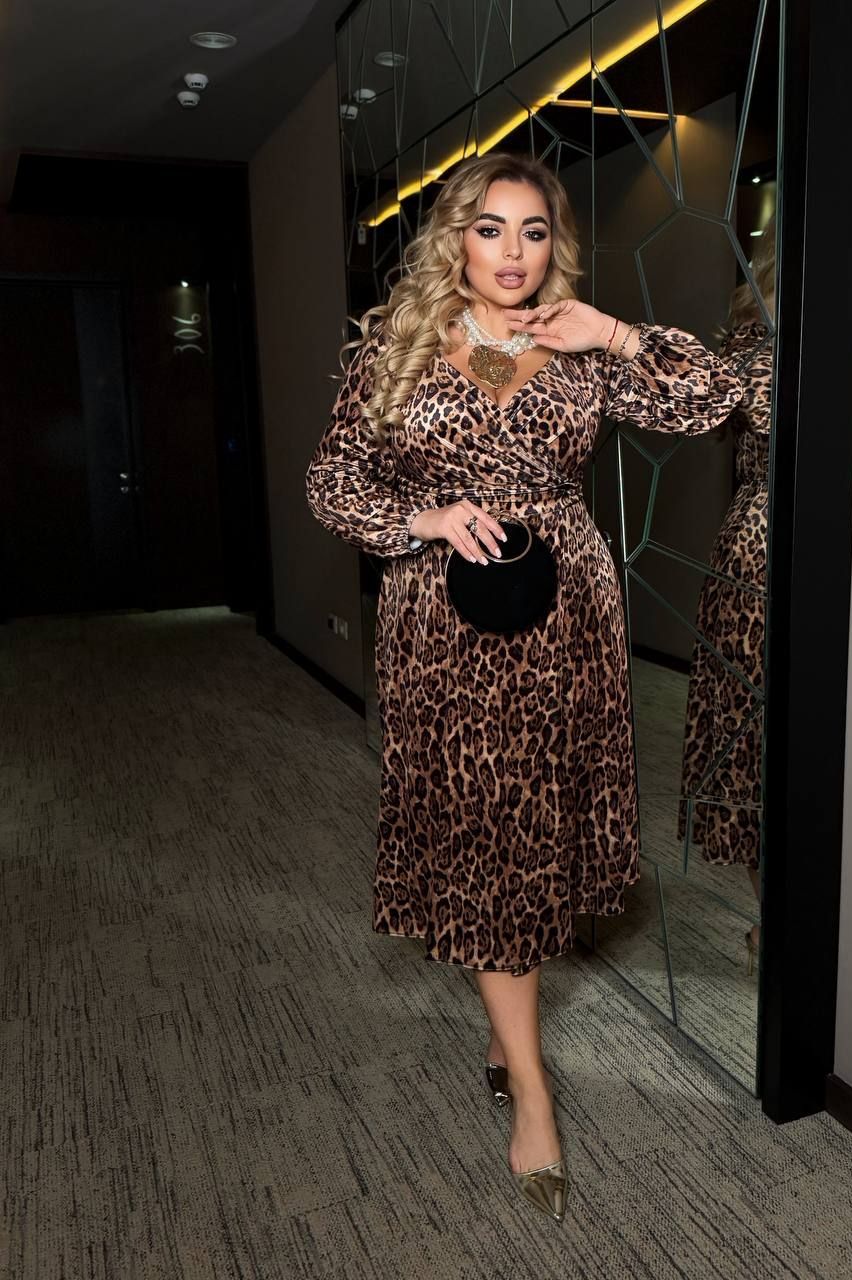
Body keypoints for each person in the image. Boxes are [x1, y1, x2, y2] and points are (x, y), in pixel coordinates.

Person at [305, 152, 741, 1223]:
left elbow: (719, 396)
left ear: (556, 244)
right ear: (455, 237)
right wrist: (422, 516)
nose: (512, 253)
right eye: (489, 228)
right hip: (442, 623)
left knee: (533, 828)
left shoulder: (579, 346)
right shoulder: (397, 345)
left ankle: (509, 1044)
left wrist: (617, 334)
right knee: (480, 828)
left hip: (564, 622)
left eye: (533, 231)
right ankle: (533, 1087)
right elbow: (332, 480)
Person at [677, 216, 775, 977]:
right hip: (760, 555)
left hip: (809, 549)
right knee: (749, 743)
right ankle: (776, 920)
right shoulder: (750, 354)